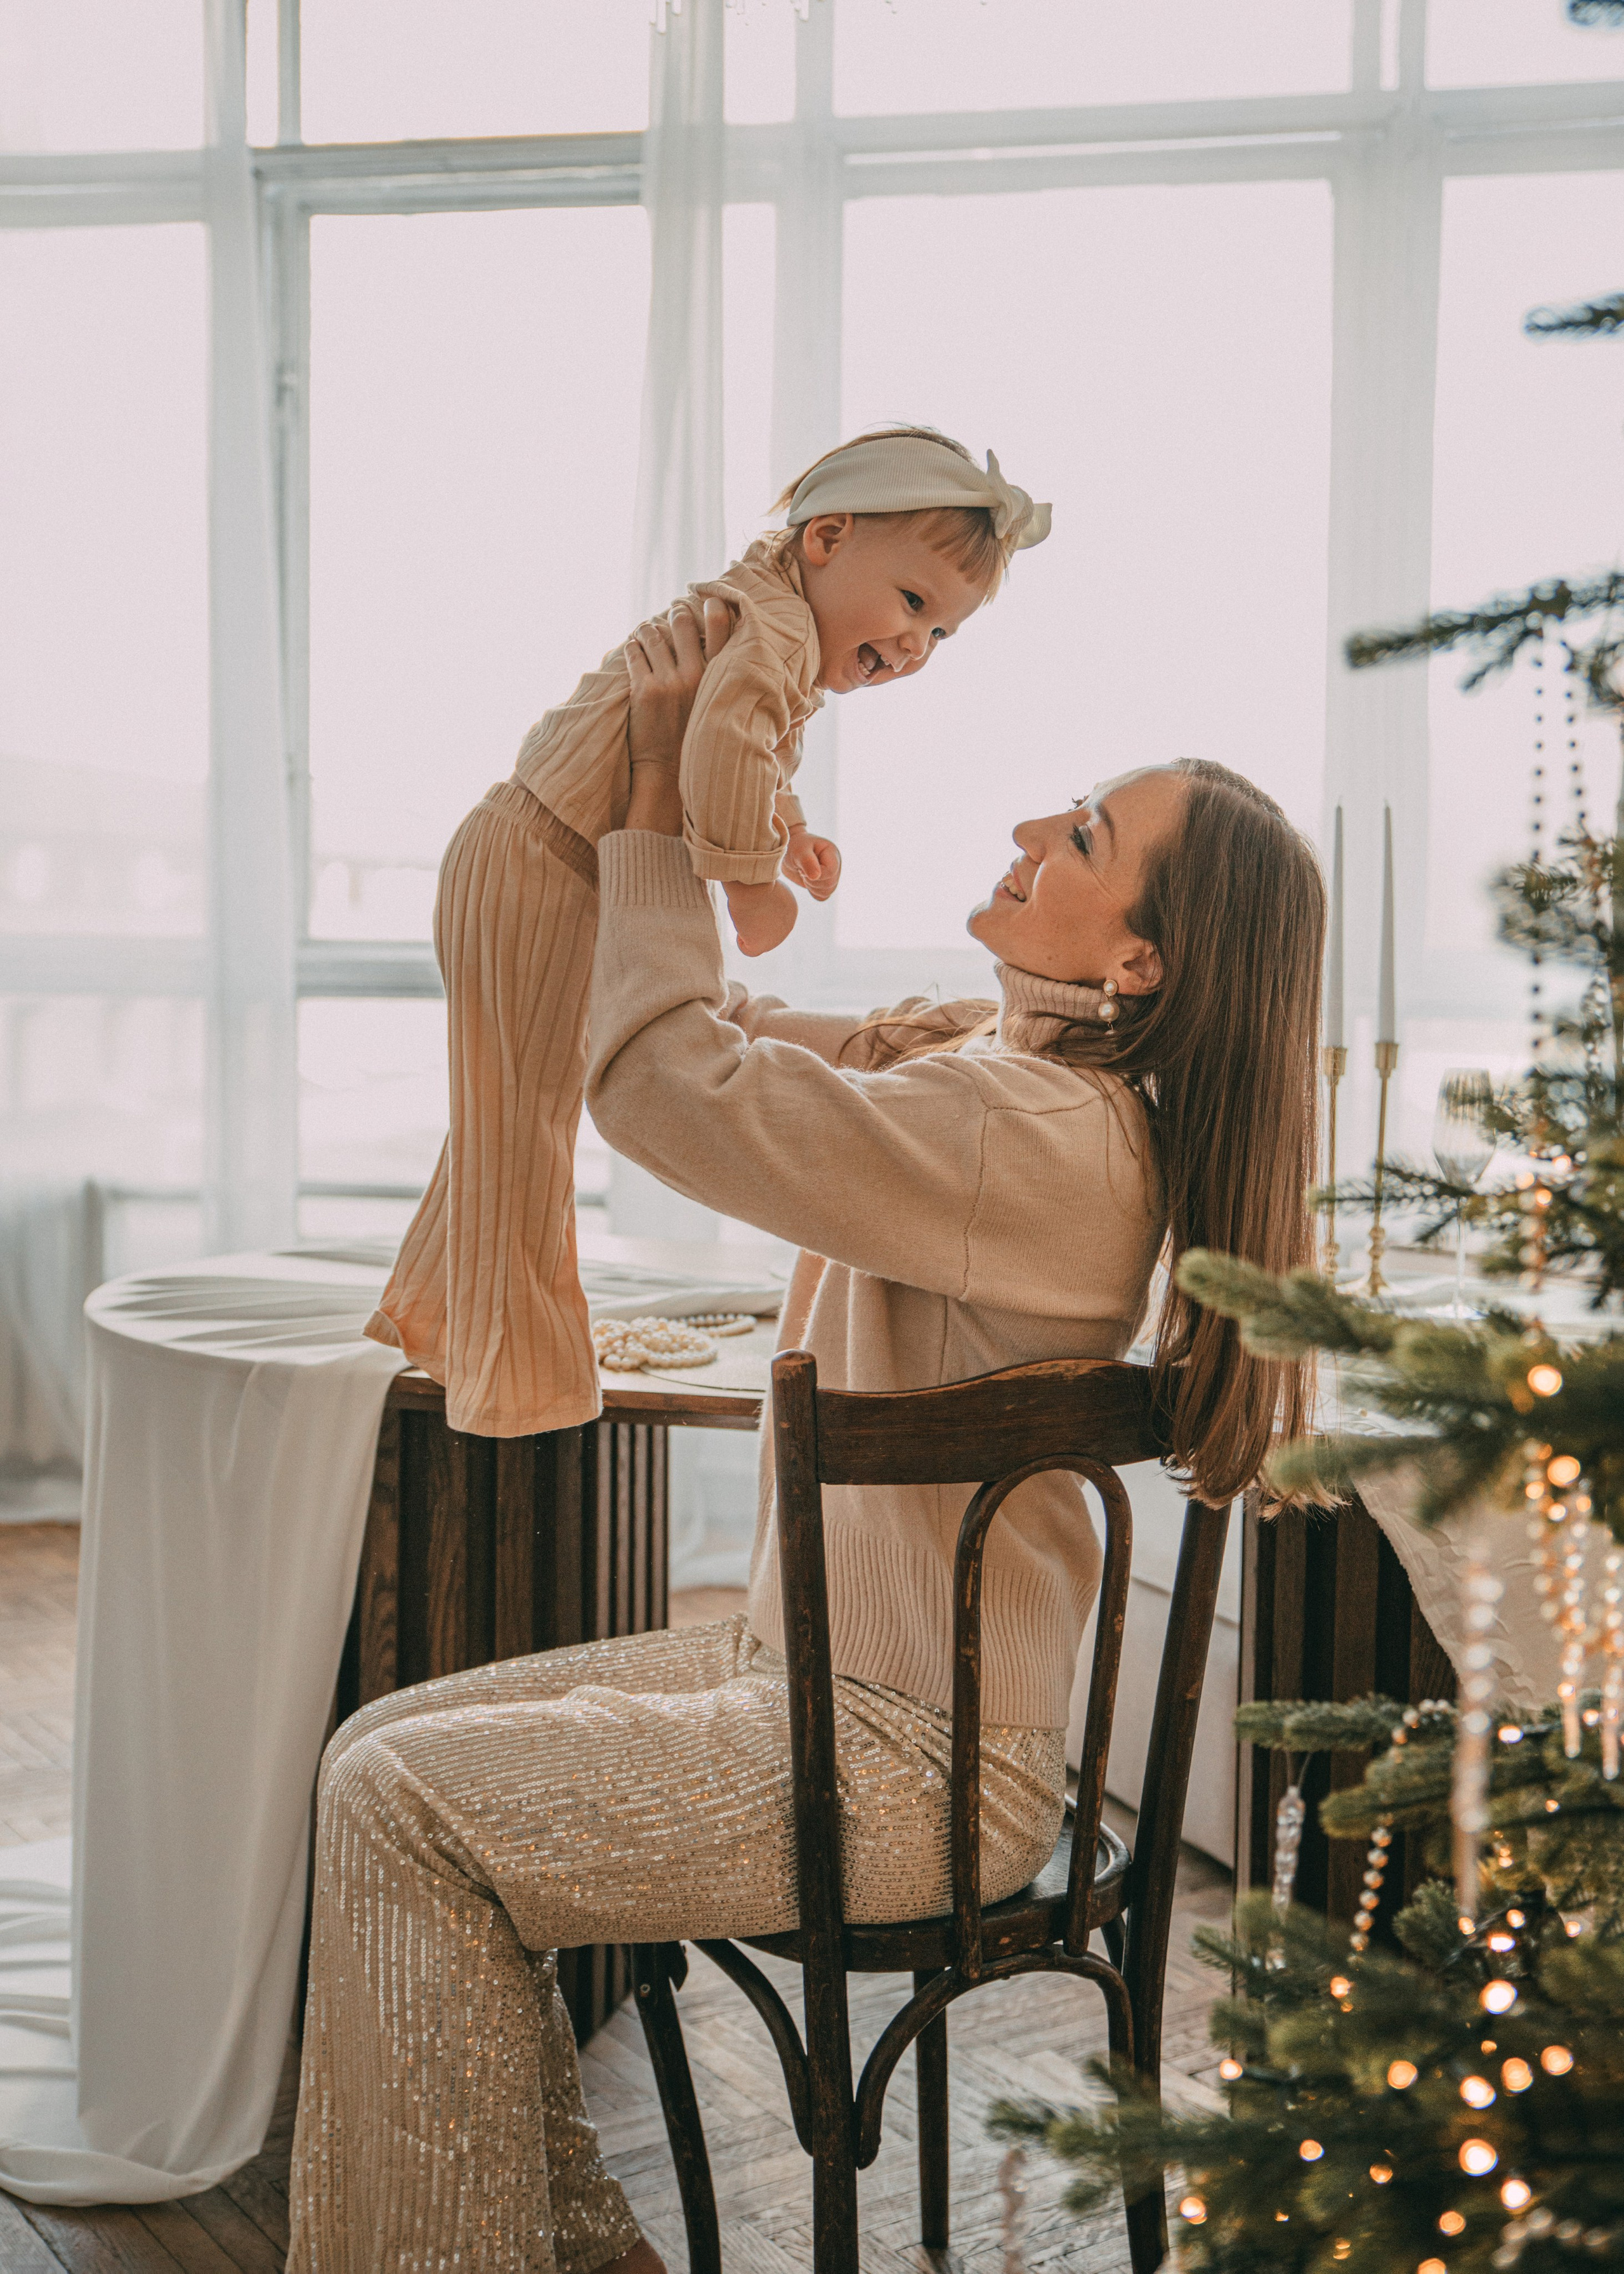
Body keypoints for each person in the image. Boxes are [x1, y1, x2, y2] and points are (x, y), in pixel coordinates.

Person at [287, 607, 1325, 2274]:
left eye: (1078, 839)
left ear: (1139, 961)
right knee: (376, 1760)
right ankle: (534, 2243)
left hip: (907, 1766)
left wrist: (643, 813)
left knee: (406, 1805)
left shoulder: (1035, 1134)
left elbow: (667, 1088)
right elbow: (738, 1039)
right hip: (828, 1699)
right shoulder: (1007, 1076)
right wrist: (696, 821)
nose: (1021, 834)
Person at [364, 426, 1052, 1442]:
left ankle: (436, 1315)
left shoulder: (773, 635)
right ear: (826, 540)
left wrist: (792, 829)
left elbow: (739, 754)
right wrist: (752, 884)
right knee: (525, 1121)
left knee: (511, 1106)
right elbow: (725, 745)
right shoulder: (768, 637)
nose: (916, 648)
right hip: (540, 865)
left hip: (550, 861)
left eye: (942, 635)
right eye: (912, 605)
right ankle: (519, 1378)